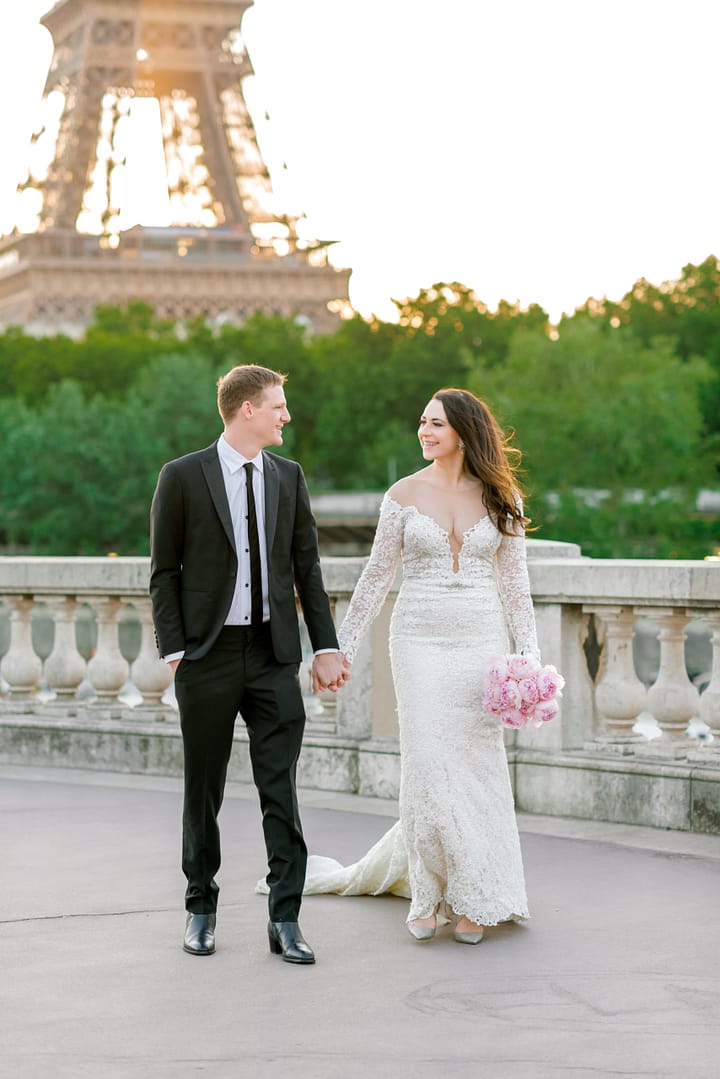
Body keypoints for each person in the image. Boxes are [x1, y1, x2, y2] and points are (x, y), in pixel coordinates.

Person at [295, 387, 540, 944]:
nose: (424, 432)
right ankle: (428, 894)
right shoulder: (402, 494)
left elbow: (516, 587)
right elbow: (375, 578)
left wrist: (530, 659)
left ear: (464, 433)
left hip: (480, 643)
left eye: (436, 424)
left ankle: (475, 897)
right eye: (423, 422)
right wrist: (341, 647)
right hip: (418, 641)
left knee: (476, 770)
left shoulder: (501, 497)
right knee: (427, 763)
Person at [149, 364, 350, 964]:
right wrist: (176, 652)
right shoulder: (182, 476)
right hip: (206, 657)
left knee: (280, 791)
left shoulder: (288, 476)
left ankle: (285, 918)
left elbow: (307, 568)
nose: (287, 415)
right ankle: (200, 909)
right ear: (246, 410)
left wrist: (325, 646)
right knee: (202, 790)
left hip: (272, 655)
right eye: (278, 406)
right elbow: (163, 572)